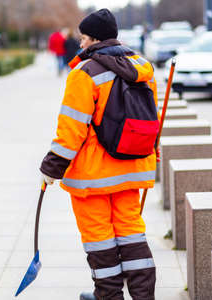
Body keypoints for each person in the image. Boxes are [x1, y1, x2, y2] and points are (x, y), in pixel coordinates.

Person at [40, 8, 158, 300]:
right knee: (131, 232)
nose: (80, 45)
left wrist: (52, 167)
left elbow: (72, 127)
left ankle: (108, 296)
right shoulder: (143, 68)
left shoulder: (84, 73)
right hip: (133, 167)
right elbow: (150, 119)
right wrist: (154, 154)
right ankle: (144, 297)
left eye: (82, 39)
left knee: (99, 238)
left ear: (93, 39)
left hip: (94, 175)